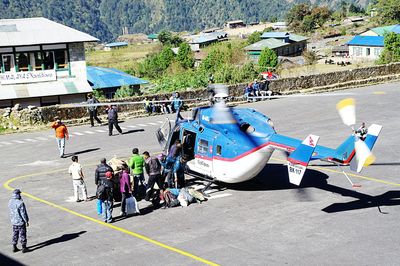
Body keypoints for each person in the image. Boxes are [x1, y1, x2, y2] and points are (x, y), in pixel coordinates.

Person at [8, 189, 29, 253]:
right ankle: (24, 247)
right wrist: (26, 221)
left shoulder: (10, 201)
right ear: (18, 194)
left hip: (14, 221)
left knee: (15, 233)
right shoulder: (20, 203)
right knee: (22, 234)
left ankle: (14, 246)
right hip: (20, 222)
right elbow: (23, 213)